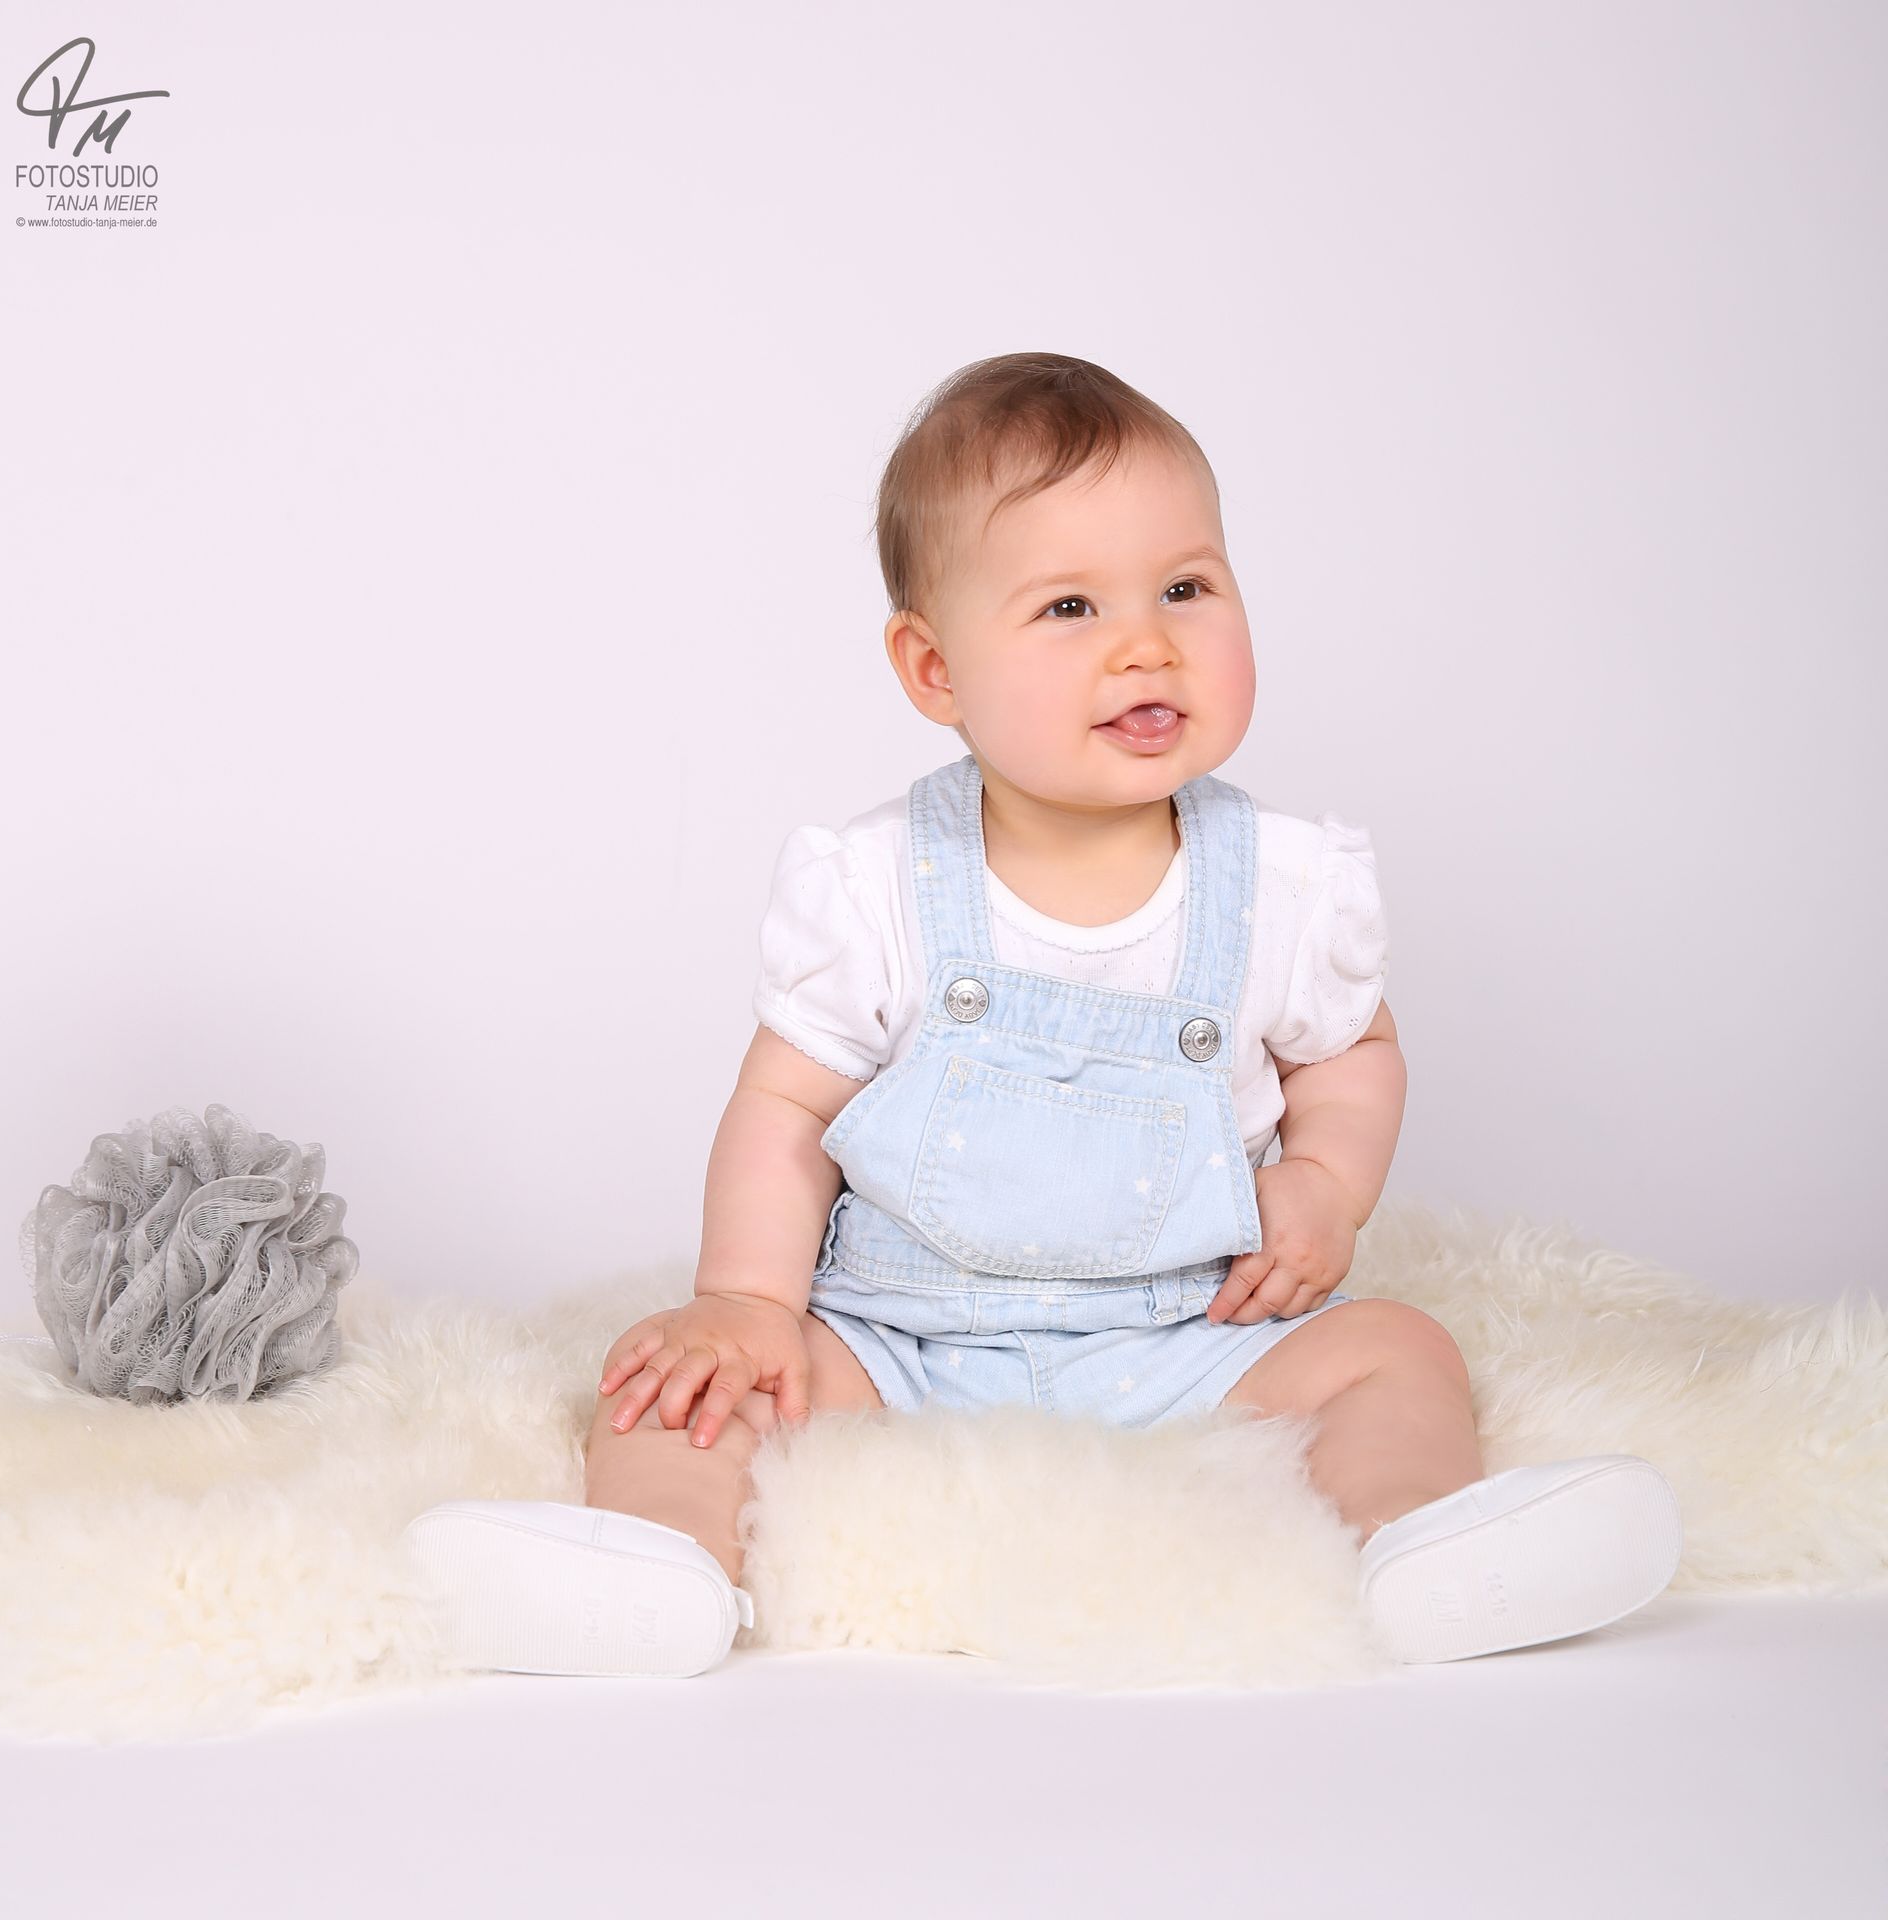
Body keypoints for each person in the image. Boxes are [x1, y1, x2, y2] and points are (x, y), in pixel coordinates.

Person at [402, 353, 1681, 1677]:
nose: (1146, 644)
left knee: (1401, 1350)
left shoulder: (1284, 885)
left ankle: (1424, 1544)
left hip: (1193, 1335)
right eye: (1070, 606)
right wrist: (745, 1298)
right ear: (935, 669)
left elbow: (1353, 1054)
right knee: (679, 1381)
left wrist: (1325, 1186)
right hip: (902, 1343)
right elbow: (785, 1103)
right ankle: (654, 1566)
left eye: (1186, 588)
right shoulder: (879, 884)